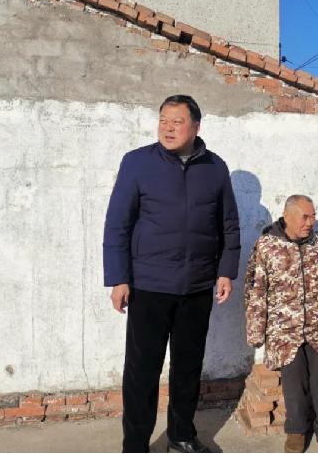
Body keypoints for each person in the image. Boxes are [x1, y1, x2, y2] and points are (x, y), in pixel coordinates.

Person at [103, 95, 240, 453]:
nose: (168, 128)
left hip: (197, 285)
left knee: (188, 367)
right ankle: (135, 444)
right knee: (142, 371)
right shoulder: (137, 163)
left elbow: (228, 224)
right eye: (163, 120)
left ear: (196, 126)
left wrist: (225, 271)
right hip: (149, 285)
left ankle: (181, 435)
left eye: (177, 121)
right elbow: (117, 223)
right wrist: (119, 278)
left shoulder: (215, 167)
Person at [244, 195, 318, 454]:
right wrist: (256, 331)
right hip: (284, 329)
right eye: (305, 217)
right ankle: (296, 430)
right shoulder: (266, 246)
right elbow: (256, 288)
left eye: (313, 216)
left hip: (317, 326)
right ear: (287, 216)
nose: (310, 222)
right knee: (294, 379)